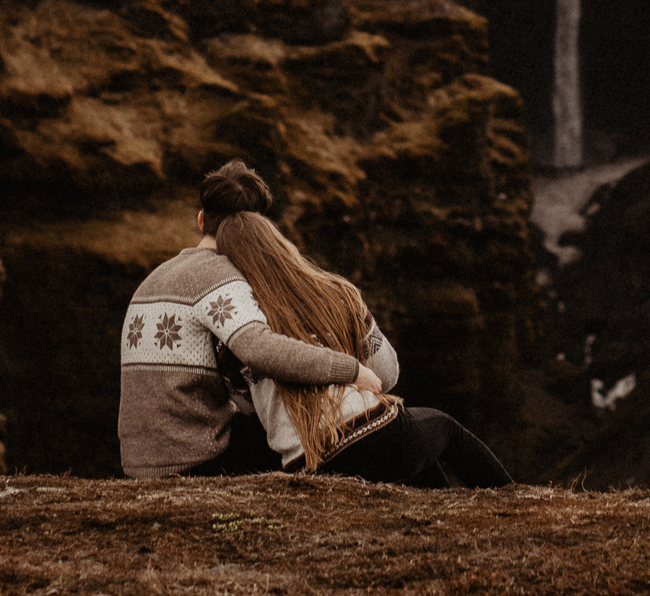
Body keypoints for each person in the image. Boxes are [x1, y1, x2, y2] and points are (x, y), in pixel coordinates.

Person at [118, 159, 389, 478]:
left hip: (138, 463)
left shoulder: (152, 279)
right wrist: (350, 370)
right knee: (304, 436)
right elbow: (260, 350)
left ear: (201, 219)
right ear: (255, 230)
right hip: (195, 461)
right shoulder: (222, 278)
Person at [212, 202, 513, 487]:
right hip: (368, 434)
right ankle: (514, 498)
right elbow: (386, 374)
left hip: (307, 460)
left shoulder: (236, 331)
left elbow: (246, 408)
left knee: (421, 461)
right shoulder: (336, 293)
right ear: (279, 244)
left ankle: (443, 513)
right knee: (445, 429)